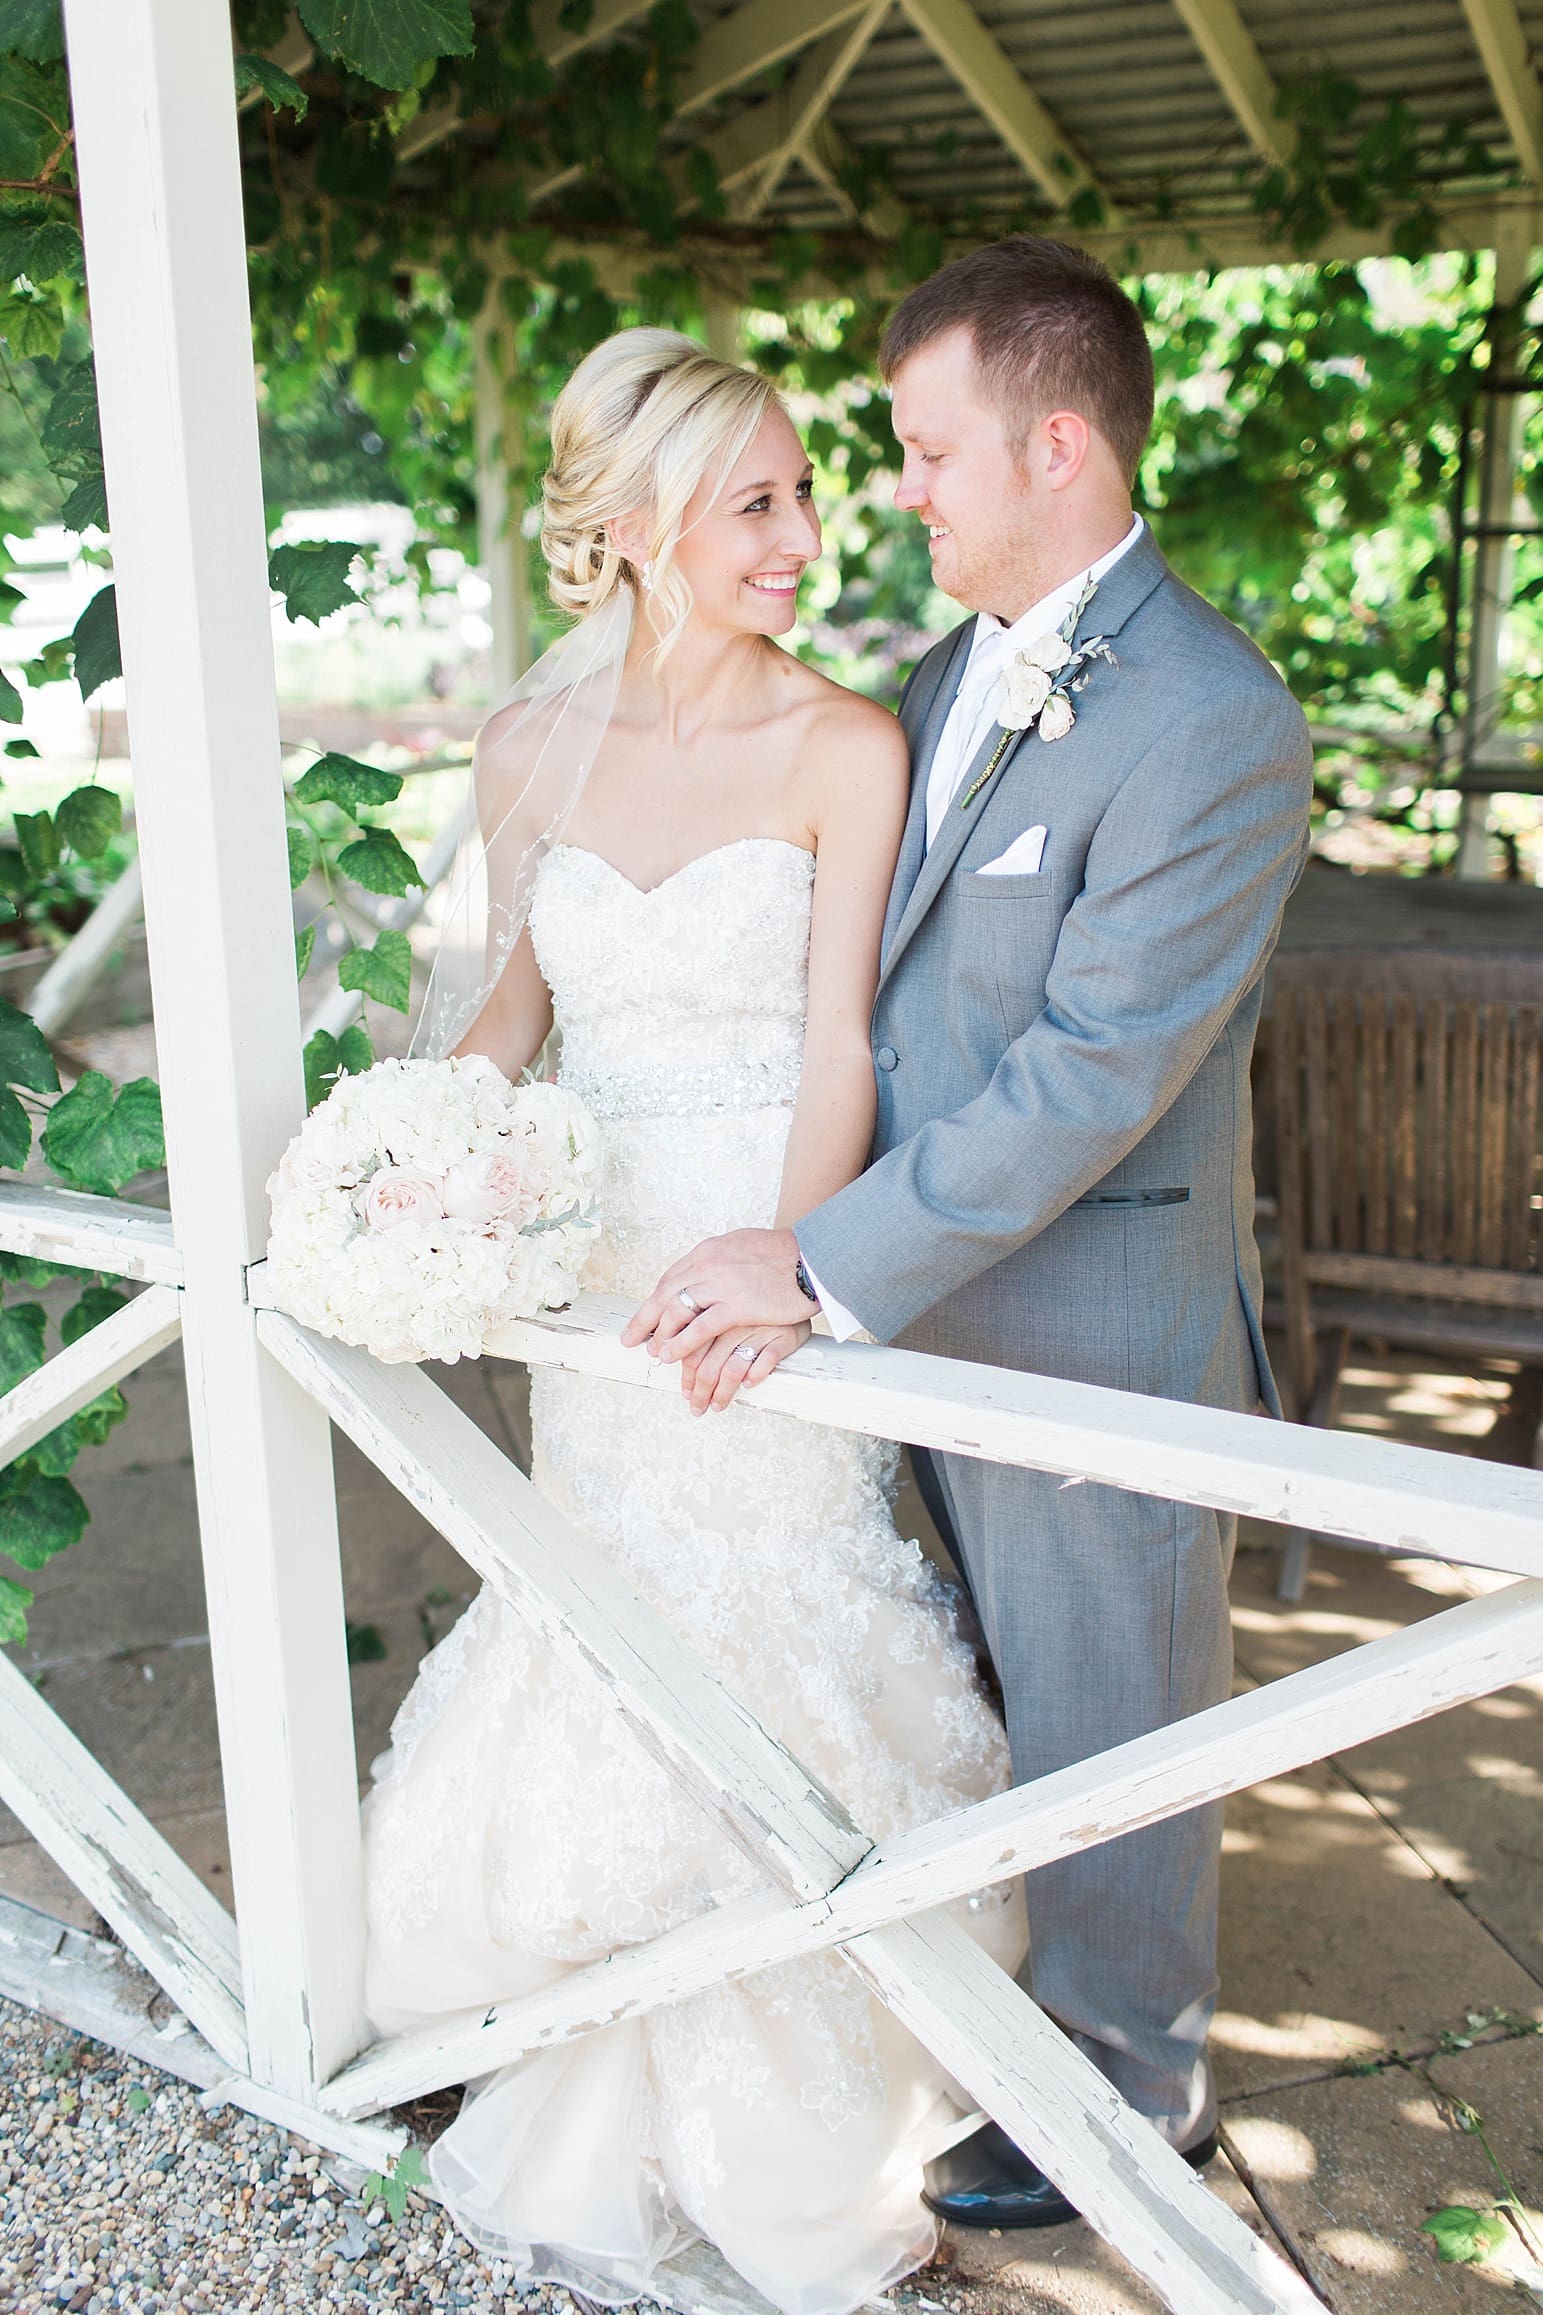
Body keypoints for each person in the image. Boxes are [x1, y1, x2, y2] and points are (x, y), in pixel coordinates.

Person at [626, 237, 1315, 2227]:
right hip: (913, 1314)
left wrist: (816, 1259)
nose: (899, 488)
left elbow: (1093, 1075)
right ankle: (998, 2026)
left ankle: (1132, 2094)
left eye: (930, 451)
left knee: (1111, 1723)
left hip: (1093, 1321)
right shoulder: (945, 677)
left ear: (1057, 448)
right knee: (977, 1704)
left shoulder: (1214, 721)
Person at [360, 326, 1026, 2315]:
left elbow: (839, 1050)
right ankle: (579, 2022)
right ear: (641, 525)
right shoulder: (525, 750)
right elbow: (509, 1016)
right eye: (759, 503)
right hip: (593, 1279)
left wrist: (788, 1268)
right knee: (605, 1622)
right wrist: (402, 1172)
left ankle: (805, 2100)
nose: (805, 537)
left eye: (806, 494)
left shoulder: (845, 745)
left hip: (758, 1266)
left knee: (774, 1623)